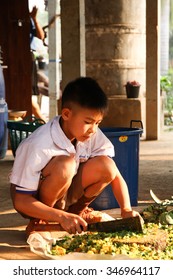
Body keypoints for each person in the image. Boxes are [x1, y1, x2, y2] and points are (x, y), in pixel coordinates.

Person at [10, 77, 143, 237]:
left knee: (106, 165)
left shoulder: (91, 133)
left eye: (98, 123)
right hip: (32, 202)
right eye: (88, 121)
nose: (93, 129)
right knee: (66, 166)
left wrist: (126, 210)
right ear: (66, 114)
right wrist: (60, 216)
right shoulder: (38, 144)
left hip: (66, 193)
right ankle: (43, 220)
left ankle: (76, 213)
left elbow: (114, 174)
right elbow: (21, 201)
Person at [30, 5, 47, 122]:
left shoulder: (30, 19)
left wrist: (34, 18)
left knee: (31, 96)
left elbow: (41, 36)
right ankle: (43, 122)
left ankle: (42, 121)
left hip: (29, 62)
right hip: (21, 64)